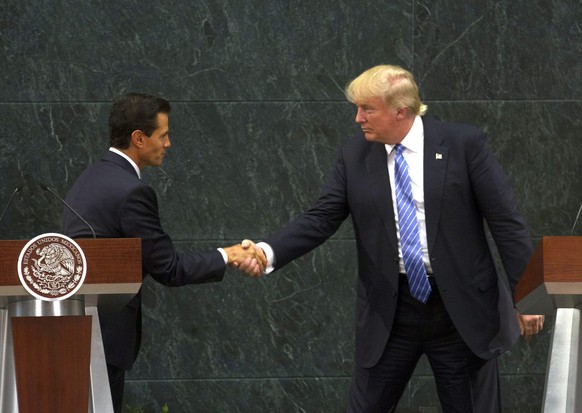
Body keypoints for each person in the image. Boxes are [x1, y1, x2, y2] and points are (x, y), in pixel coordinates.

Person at [247, 65, 544, 412]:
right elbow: (319, 219)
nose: (358, 118)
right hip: (391, 312)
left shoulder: (464, 145)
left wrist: (529, 296)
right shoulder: (354, 157)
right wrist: (267, 252)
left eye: (367, 109)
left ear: (400, 110)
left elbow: (507, 223)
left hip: (460, 313)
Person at [61, 92, 266, 413]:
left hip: (72, 333)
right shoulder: (132, 191)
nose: (168, 144)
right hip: (100, 340)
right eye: (164, 135)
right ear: (139, 139)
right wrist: (230, 255)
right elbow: (170, 268)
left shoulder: (90, 178)